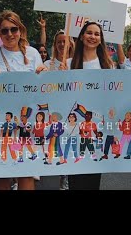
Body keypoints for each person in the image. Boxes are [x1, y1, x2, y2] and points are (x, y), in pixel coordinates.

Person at [0, 10, 47, 190]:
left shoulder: (32, 54)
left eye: (13, 29)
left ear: (20, 30)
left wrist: (43, 76)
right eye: (4, 30)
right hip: (1, 122)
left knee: (26, 171)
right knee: (2, 174)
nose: (9, 34)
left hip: (26, 122)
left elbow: (40, 89)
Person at [61, 21, 115, 190]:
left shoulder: (108, 66)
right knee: (75, 176)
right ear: (82, 36)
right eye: (89, 33)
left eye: (97, 34)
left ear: (101, 39)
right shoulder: (68, 64)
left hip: (97, 128)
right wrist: (59, 77)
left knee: (93, 176)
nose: (93, 36)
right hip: (74, 128)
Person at [44, 29, 75, 190]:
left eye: (65, 41)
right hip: (53, 113)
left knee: (66, 144)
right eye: (59, 42)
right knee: (52, 144)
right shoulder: (47, 65)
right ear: (55, 45)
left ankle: (65, 177)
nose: (62, 44)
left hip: (70, 112)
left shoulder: (77, 63)